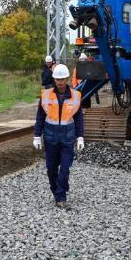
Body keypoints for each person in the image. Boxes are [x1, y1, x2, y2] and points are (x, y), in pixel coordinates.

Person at [33, 64, 85, 208]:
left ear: (67, 78)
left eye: (62, 79)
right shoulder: (46, 95)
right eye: (57, 79)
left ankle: (61, 197)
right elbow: (40, 117)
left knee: (65, 168)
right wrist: (37, 135)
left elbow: (79, 118)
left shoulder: (75, 95)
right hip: (51, 137)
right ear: (54, 79)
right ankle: (56, 191)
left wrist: (80, 137)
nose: (60, 82)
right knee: (51, 168)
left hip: (68, 137)